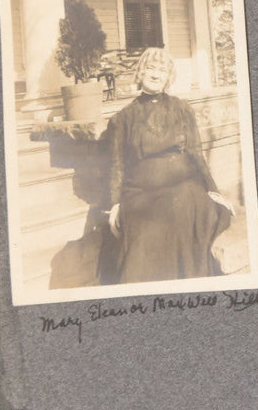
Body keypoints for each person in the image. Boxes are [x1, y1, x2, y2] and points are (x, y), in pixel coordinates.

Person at [98, 47, 234, 284]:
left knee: (189, 210)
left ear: (168, 77)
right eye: (151, 68)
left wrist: (213, 190)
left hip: (183, 184)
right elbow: (117, 164)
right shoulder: (123, 118)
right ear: (141, 73)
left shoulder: (182, 109)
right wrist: (115, 204)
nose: (156, 74)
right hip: (141, 190)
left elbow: (196, 153)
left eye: (162, 70)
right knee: (145, 223)